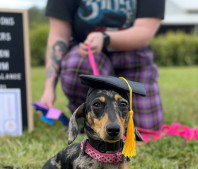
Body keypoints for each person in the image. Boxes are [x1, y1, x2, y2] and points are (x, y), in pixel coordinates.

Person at [40, 0, 165, 130]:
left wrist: (104, 37)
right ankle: (86, 116)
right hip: (88, 56)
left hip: (134, 58)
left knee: (147, 128)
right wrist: (49, 88)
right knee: (76, 65)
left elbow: (144, 31)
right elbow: (58, 35)